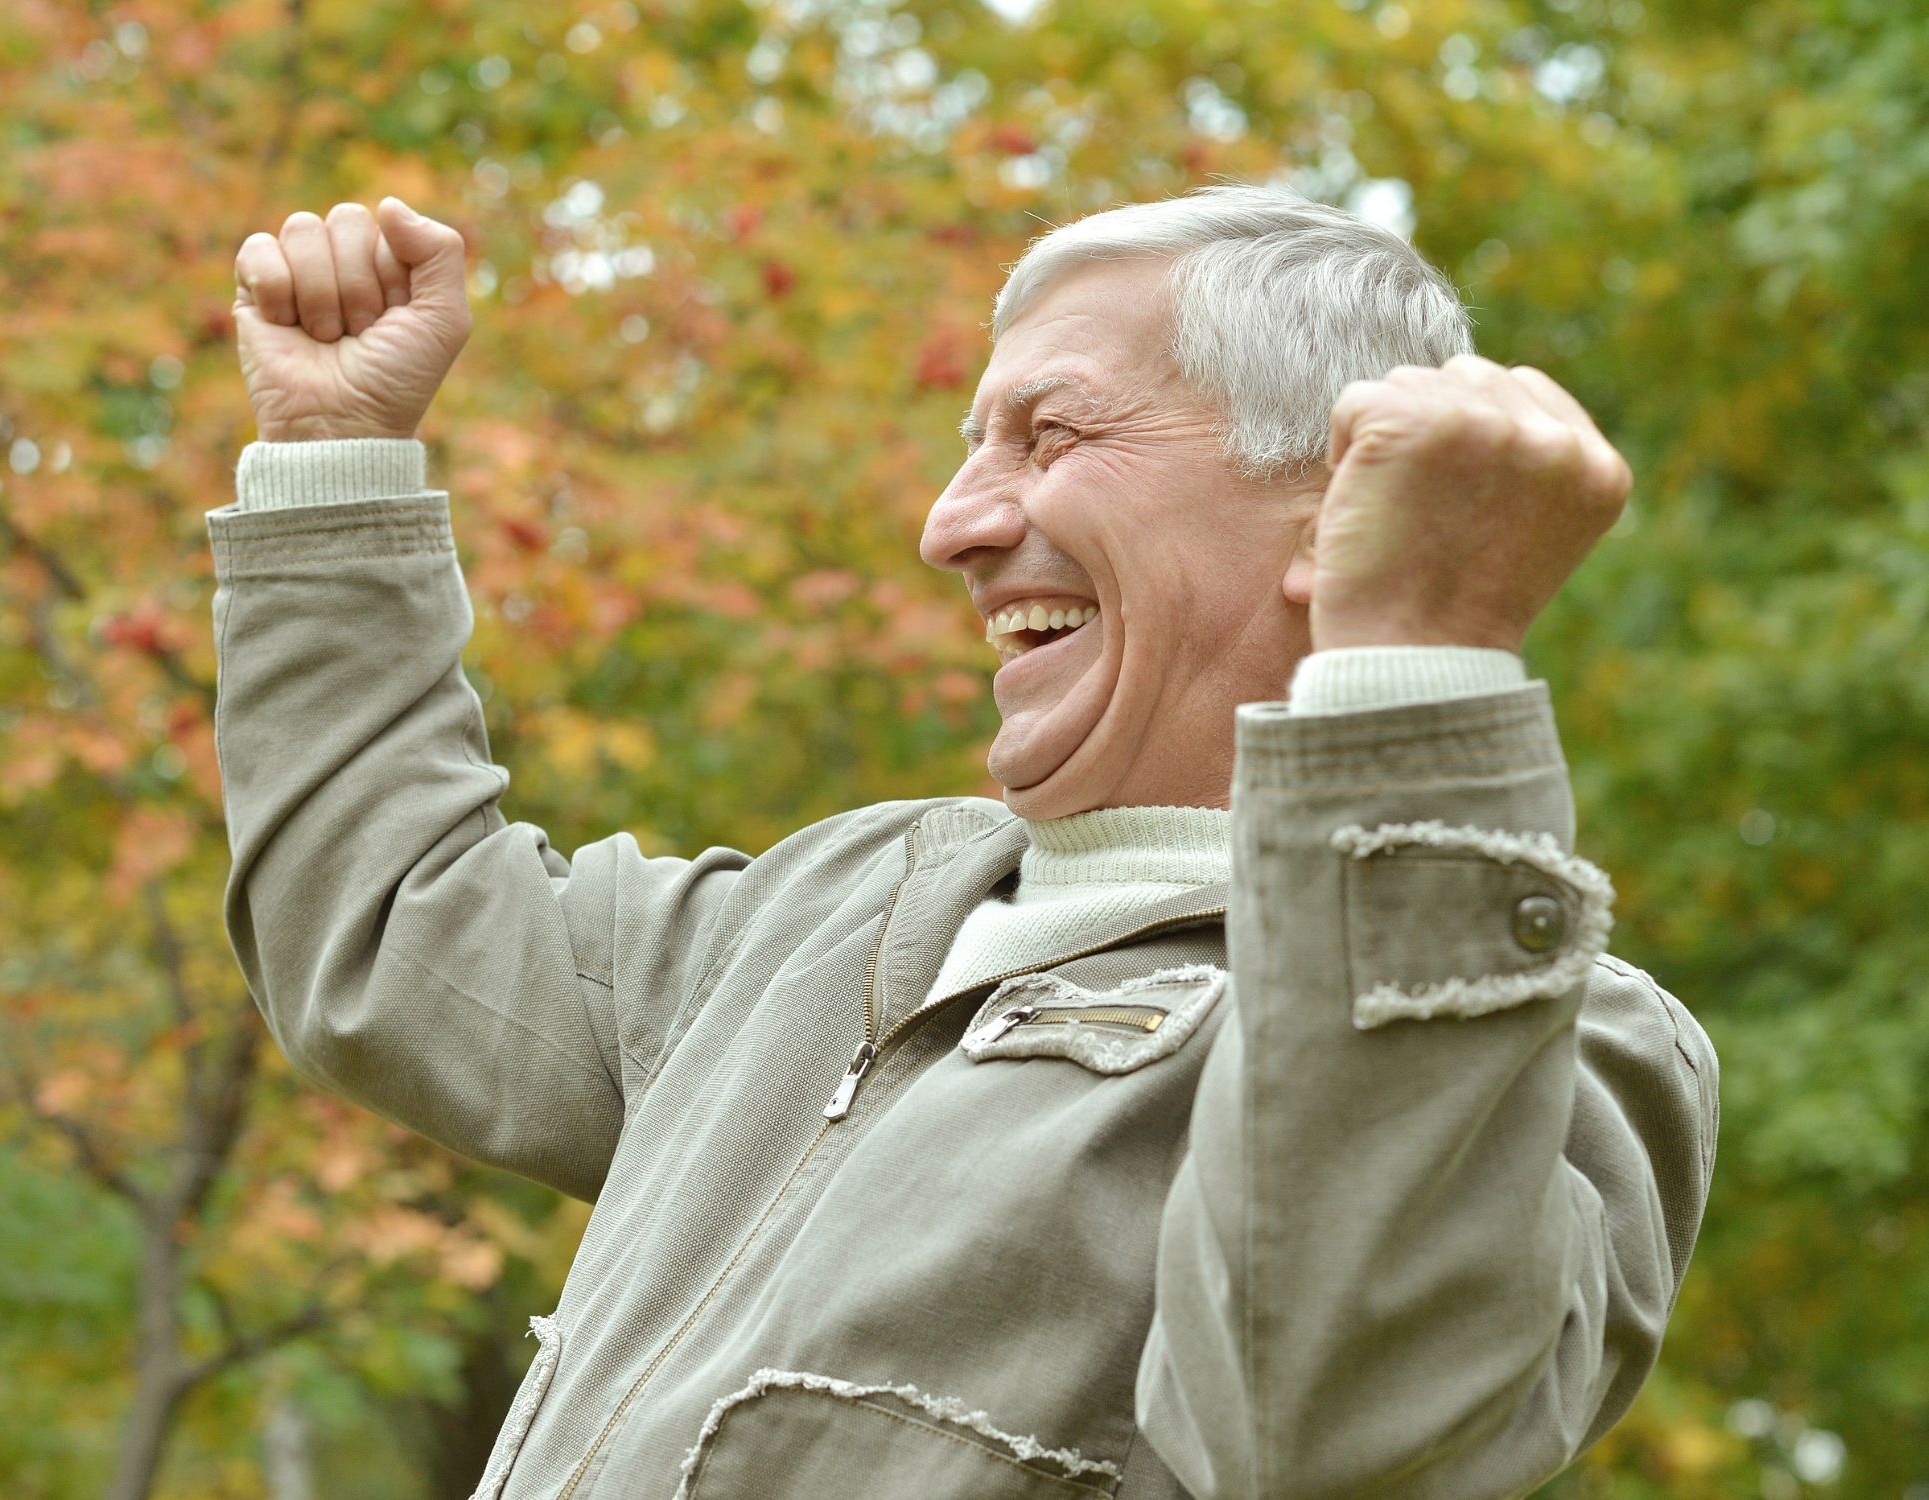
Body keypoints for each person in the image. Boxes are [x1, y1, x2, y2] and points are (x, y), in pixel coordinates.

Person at [207, 183, 1717, 1500]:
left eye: (1047, 435)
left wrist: (1422, 673)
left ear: (1335, 509)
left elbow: (1330, 1428)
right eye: (968, 445)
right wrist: (335, 461)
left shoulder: (1554, 1039)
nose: (951, 524)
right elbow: (394, 928)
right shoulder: (826, 910)